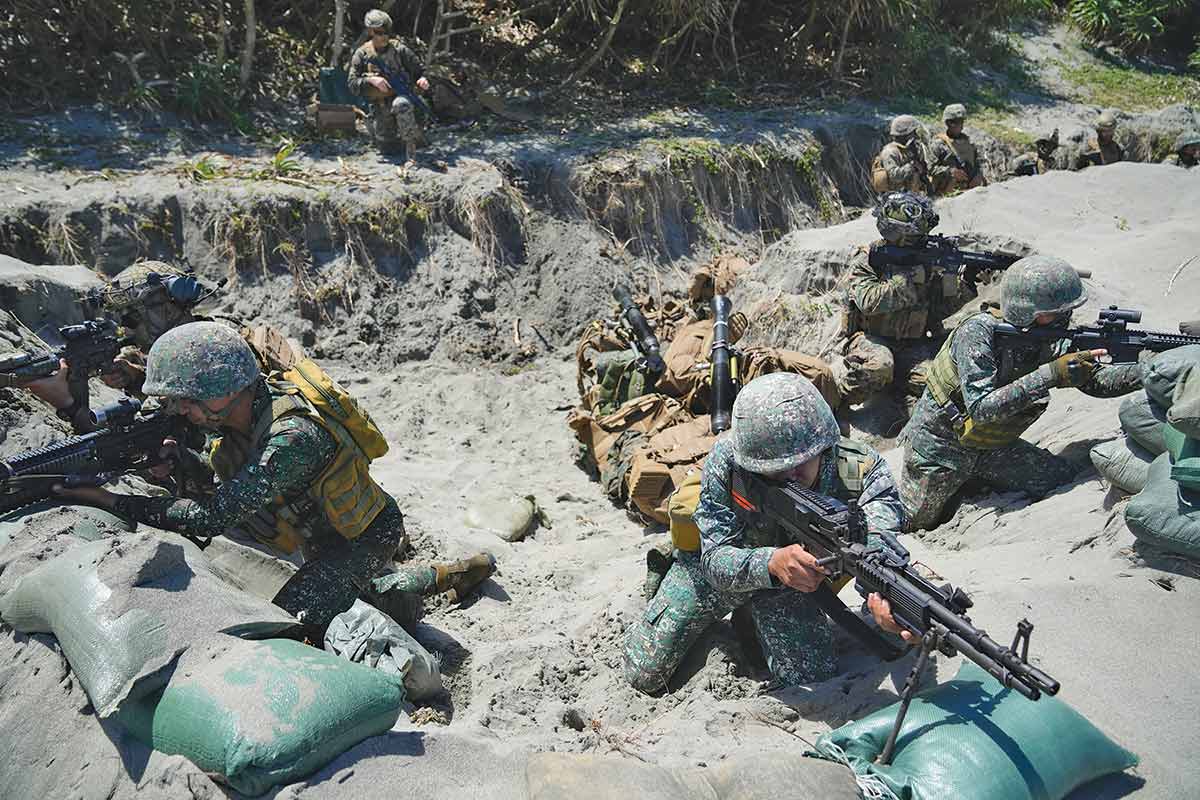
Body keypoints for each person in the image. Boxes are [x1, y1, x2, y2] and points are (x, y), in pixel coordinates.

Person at [52, 322, 495, 638]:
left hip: (364, 537)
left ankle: (435, 577)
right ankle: (423, 578)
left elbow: (210, 517)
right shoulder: (242, 417)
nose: (181, 411)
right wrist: (179, 461)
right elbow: (217, 477)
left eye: (186, 401)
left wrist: (112, 502)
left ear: (222, 391)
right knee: (342, 597)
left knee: (295, 622)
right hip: (321, 538)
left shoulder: (291, 437)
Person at [623, 372, 908, 695]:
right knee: (643, 674)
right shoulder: (729, 464)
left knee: (812, 677)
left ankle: (753, 620)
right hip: (723, 567)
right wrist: (771, 563)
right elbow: (714, 559)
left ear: (823, 444)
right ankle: (668, 578)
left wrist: (885, 604)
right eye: (774, 470)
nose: (791, 475)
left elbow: (878, 550)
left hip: (795, 584)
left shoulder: (862, 474)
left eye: (801, 463)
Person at [898, 255, 1142, 531]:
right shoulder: (978, 332)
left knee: (1060, 479)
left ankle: (976, 481)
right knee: (911, 522)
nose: (1066, 317)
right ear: (1029, 313)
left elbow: (1096, 382)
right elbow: (981, 408)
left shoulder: (1047, 336)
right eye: (1056, 312)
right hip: (940, 449)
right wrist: (1050, 375)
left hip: (992, 446)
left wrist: (1146, 369)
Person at [836, 191, 977, 418]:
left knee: (942, 383)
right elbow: (869, 302)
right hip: (871, 340)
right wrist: (911, 278)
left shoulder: (924, 260)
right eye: (913, 238)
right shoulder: (870, 259)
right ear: (895, 235)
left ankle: (899, 385)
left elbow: (939, 310)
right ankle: (838, 401)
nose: (920, 242)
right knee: (880, 366)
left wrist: (962, 281)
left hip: (912, 346)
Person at [347, 9, 432, 162]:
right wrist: (370, 80)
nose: (384, 36)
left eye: (387, 32)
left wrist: (422, 79)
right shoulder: (362, 54)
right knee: (388, 149)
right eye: (379, 32)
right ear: (370, 32)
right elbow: (352, 84)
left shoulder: (399, 50)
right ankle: (392, 138)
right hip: (380, 108)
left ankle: (411, 147)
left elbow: (420, 70)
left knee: (402, 104)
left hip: (402, 100)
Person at [929, 103, 986, 195]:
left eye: (962, 122)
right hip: (946, 191)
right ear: (949, 123)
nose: (962, 127)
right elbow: (930, 169)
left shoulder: (969, 142)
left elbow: (978, 163)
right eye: (958, 123)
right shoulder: (938, 144)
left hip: (969, 190)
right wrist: (950, 171)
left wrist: (978, 175)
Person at [871, 115, 931, 195]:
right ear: (905, 134)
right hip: (895, 196)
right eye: (912, 132)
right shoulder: (890, 151)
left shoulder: (910, 149)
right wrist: (911, 166)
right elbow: (894, 176)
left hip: (912, 194)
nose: (915, 135)